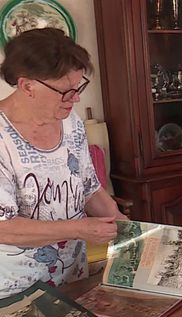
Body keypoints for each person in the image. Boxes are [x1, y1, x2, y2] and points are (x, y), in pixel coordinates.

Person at [0, 28, 127, 299]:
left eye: (79, 87)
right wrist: (80, 229)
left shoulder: (70, 122)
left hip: (72, 277)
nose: (76, 98)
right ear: (27, 85)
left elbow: (89, 187)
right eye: (66, 91)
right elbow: (4, 227)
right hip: (15, 291)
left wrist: (126, 227)